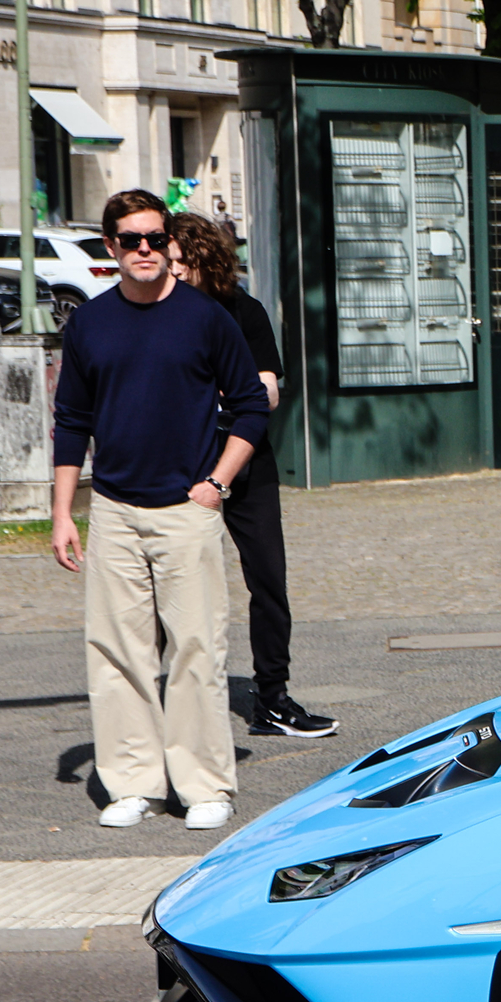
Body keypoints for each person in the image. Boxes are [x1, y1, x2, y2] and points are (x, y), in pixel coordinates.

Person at [51, 189, 270, 831]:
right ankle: (133, 783)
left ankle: (205, 786)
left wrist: (218, 484)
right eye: (130, 240)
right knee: (117, 654)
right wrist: (65, 512)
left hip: (187, 508)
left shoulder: (205, 317)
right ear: (111, 247)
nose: (144, 249)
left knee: (198, 648)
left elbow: (252, 404)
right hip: (114, 508)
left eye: (154, 237)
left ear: (168, 244)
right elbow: (71, 422)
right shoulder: (90, 324)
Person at [167, 211, 336, 739]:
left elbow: (268, 390)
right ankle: (178, 701)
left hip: (246, 459)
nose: (171, 272)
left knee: (267, 579)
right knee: (179, 585)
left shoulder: (244, 311)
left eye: (180, 262)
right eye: (167, 262)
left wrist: (236, 388)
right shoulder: (160, 316)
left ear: (203, 260)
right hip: (182, 462)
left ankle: (272, 699)